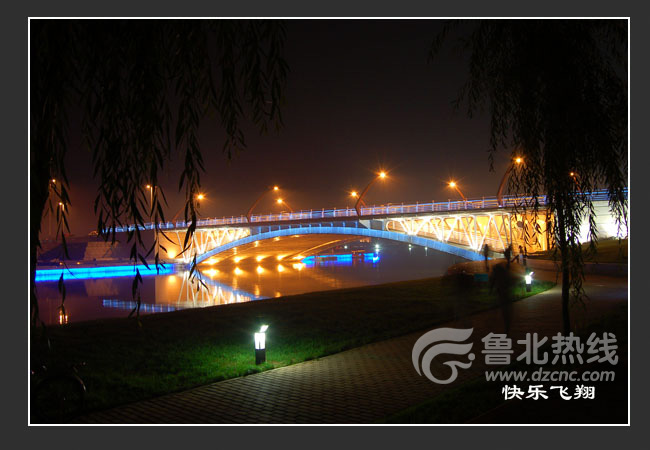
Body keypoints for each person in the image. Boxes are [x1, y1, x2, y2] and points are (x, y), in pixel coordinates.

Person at [489, 262, 514, 334]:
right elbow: (510, 282)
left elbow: (492, 282)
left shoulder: (498, 274)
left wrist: (491, 290)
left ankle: (495, 326)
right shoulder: (505, 274)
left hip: (501, 294)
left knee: (503, 311)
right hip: (504, 294)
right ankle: (506, 327)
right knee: (505, 312)